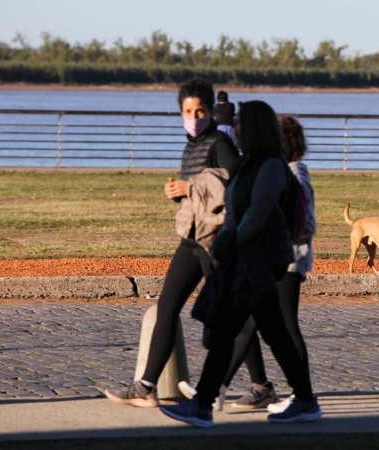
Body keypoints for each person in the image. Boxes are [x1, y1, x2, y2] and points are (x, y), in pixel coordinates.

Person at [161, 101, 321, 428]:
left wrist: (227, 242)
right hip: (251, 256)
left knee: (229, 327)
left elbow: (257, 216)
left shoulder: (272, 166)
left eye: (239, 124)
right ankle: (305, 400)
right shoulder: (248, 163)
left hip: (260, 258)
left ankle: (203, 405)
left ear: (253, 128)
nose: (234, 129)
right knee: (271, 330)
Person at [104, 78, 238, 407]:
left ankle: (263, 386)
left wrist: (189, 187)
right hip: (191, 240)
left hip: (216, 242)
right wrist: (176, 194)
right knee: (167, 307)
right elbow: (196, 194)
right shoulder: (191, 145)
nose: (193, 117)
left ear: (210, 111)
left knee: (233, 316)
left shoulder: (219, 142)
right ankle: (146, 387)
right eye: (187, 111)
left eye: (200, 110)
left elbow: (238, 183)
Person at [208, 115, 317, 412]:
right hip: (274, 261)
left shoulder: (294, 175)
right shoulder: (281, 173)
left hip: (289, 263)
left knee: (280, 326)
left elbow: (306, 224)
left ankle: (300, 396)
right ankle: (222, 389)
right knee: (252, 323)